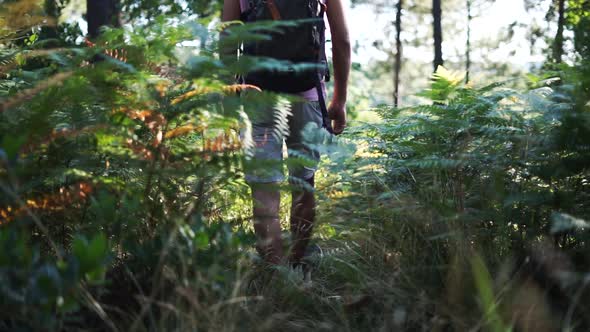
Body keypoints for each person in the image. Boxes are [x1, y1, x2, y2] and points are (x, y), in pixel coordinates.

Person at [222, 0, 351, 266]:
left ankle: (277, 273)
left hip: (257, 95)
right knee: (303, 184)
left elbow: (227, 40)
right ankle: (297, 264)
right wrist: (339, 100)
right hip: (307, 93)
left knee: (263, 188)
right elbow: (343, 40)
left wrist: (230, 95)